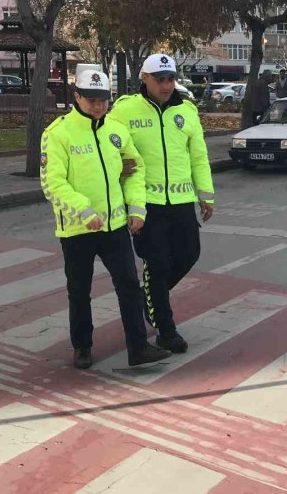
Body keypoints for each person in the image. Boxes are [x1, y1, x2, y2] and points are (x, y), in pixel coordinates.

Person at [40, 70, 172, 370]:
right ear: (76, 97)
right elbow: (52, 183)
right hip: (77, 228)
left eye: (104, 100)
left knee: (128, 285)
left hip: (115, 227)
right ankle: (82, 346)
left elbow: (135, 169)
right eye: (92, 100)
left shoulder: (115, 130)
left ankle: (138, 347)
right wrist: (84, 211)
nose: (99, 106)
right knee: (79, 290)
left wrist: (137, 209)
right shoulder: (58, 133)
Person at [108, 54, 215, 355]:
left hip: (181, 201)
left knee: (189, 254)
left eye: (170, 79)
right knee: (157, 264)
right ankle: (166, 331)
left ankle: (149, 298)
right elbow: (107, 143)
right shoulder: (125, 110)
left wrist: (205, 195)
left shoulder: (187, 110)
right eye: (160, 80)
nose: (167, 86)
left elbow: (198, 156)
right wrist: (118, 166)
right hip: (147, 204)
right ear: (145, 78)